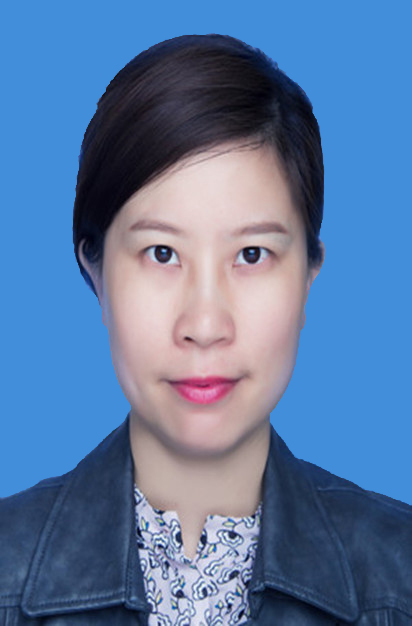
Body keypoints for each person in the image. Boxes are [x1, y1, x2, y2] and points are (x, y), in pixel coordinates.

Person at [0, 33, 411, 626]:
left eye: (251, 255)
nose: (205, 325)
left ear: (309, 274)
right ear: (95, 269)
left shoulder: (399, 577)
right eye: (162, 253)